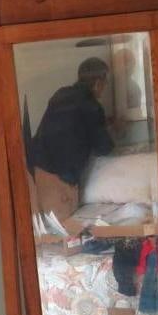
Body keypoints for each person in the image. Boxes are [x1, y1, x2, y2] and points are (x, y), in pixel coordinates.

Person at [27, 57, 116, 222]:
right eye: (105, 82)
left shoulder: (61, 94)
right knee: (64, 233)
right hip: (59, 178)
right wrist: (115, 130)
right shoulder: (92, 107)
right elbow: (104, 147)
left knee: (46, 228)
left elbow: (70, 124)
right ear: (98, 83)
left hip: (37, 169)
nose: (104, 88)